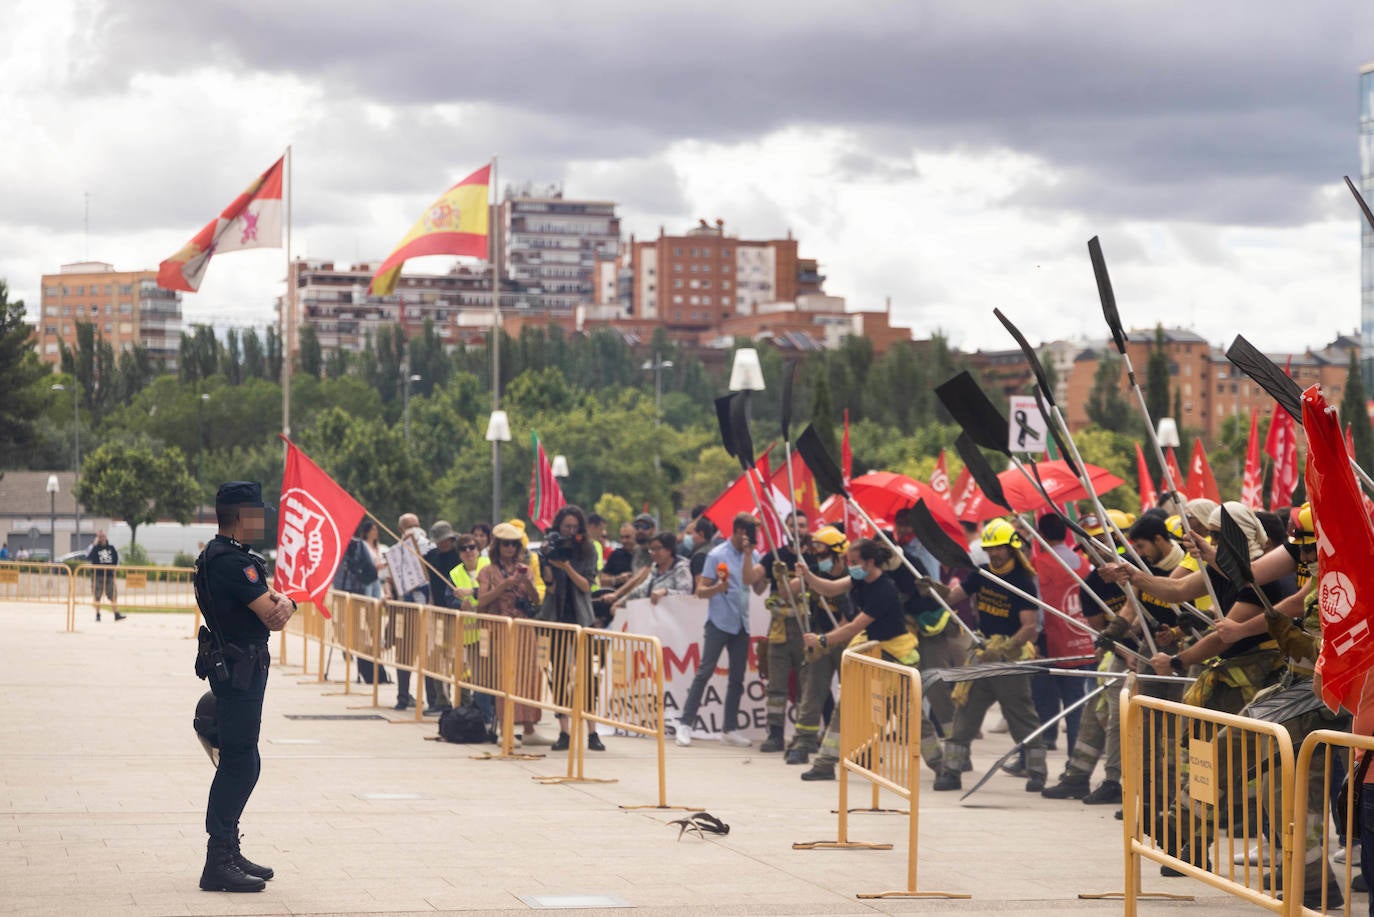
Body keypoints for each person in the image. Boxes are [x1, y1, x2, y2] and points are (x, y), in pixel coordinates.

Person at [194, 481, 295, 893]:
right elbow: (273, 614)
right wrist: (289, 603)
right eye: (257, 513)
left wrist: (282, 601)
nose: (262, 521)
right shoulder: (232, 563)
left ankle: (228, 847)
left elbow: (268, 603)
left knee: (243, 759)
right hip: (239, 669)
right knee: (240, 762)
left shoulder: (220, 557)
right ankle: (218, 859)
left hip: (239, 665)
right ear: (239, 515)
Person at [796, 537, 944, 780]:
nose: (850, 566)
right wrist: (807, 576)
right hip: (871, 652)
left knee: (909, 715)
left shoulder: (884, 590)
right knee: (847, 706)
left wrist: (822, 640)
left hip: (894, 656)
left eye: (854, 562)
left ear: (870, 562)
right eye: (849, 562)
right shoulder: (858, 577)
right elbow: (829, 588)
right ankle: (824, 764)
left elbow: (853, 627)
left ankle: (940, 766)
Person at [926, 518, 1048, 793]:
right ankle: (952, 771)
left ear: (1012, 548)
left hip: (1009, 660)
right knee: (964, 714)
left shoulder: (1022, 581)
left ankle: (1037, 771)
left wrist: (1005, 648)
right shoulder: (980, 573)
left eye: (999, 549)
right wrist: (934, 589)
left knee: (1022, 717)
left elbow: (1030, 628)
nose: (994, 554)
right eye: (990, 548)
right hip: (981, 657)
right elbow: (953, 596)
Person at [676, 513, 768, 748]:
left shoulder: (754, 554)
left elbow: (757, 589)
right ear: (738, 531)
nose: (753, 538)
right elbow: (700, 590)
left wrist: (768, 573)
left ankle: (729, 728)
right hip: (719, 622)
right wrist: (719, 588)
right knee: (704, 672)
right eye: (749, 533)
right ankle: (685, 723)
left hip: (742, 624)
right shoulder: (716, 555)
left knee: (737, 678)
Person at [537, 505, 603, 751]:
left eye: (575, 527)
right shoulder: (552, 548)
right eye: (566, 527)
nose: (571, 532)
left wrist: (567, 566)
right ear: (558, 527)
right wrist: (546, 562)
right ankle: (564, 731)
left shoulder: (587, 551)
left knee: (586, 677)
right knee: (559, 678)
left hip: (581, 620)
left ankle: (592, 732)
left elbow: (586, 586)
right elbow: (551, 588)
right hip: (557, 619)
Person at [787, 526, 853, 770]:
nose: (820, 559)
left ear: (838, 553)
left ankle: (856, 746)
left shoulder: (850, 578)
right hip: (819, 641)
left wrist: (828, 639)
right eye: (817, 554)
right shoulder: (814, 572)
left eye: (824, 554)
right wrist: (796, 576)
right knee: (812, 692)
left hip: (843, 641)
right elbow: (790, 590)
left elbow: (850, 619)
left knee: (852, 696)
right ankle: (803, 743)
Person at [477, 522, 544, 745]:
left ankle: (529, 728)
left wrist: (526, 582)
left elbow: (535, 600)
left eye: (514, 545)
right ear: (497, 546)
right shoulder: (487, 570)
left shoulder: (526, 569)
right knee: (506, 678)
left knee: (530, 676)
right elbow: (482, 600)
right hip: (501, 628)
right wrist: (504, 585)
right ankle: (505, 730)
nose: (510, 549)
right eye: (505, 544)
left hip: (525, 627)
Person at [758, 510, 809, 754]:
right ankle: (775, 735)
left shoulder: (815, 557)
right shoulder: (774, 557)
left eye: (801, 525)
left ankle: (802, 736)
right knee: (776, 687)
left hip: (806, 631)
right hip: (778, 631)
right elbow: (752, 580)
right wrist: (748, 554)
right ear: (785, 529)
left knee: (804, 688)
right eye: (792, 525)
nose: (797, 530)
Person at [605, 531, 693, 612]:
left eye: (657, 548)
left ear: (669, 549)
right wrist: (621, 603)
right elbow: (641, 590)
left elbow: (686, 595)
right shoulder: (654, 568)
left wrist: (666, 592)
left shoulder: (681, 569)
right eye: (651, 549)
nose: (653, 553)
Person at [87, 529, 124, 622]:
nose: (102, 538)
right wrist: (94, 545)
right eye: (100, 537)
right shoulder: (95, 548)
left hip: (109, 575)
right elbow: (89, 557)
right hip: (97, 575)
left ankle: (116, 614)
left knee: (113, 595)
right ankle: (98, 614)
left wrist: (113, 569)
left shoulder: (111, 548)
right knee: (97, 596)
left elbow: (115, 559)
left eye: (103, 536)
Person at [600, 524, 638, 589]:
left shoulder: (644, 554)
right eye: (622, 537)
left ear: (636, 535)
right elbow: (602, 580)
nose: (624, 540)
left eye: (627, 537)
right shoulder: (616, 555)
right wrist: (618, 579)